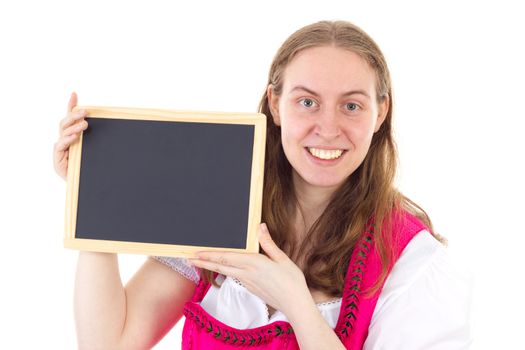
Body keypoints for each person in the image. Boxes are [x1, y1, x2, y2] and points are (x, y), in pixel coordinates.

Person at [53, 20, 472, 349]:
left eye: (351, 106)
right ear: (275, 104)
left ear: (381, 114)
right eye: (306, 102)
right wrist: (92, 194)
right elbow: (109, 342)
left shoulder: (413, 261)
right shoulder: (213, 206)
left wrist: (296, 303)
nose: (327, 128)